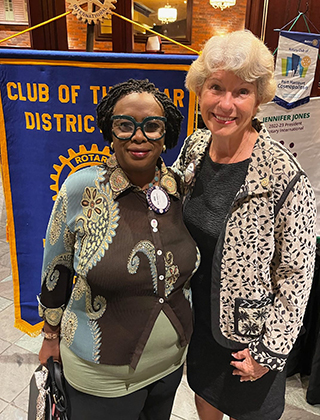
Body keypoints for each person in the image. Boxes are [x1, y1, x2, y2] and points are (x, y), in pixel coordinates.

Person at [172, 30, 317, 420]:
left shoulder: (284, 174)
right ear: (199, 90)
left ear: (260, 98)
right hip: (198, 322)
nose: (225, 104)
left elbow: (297, 273)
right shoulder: (194, 148)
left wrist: (269, 353)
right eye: (216, 87)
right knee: (204, 394)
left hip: (249, 339)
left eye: (242, 92)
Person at [38, 78, 200, 420]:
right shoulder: (81, 188)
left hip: (169, 365)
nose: (138, 137)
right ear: (109, 131)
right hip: (99, 375)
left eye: (152, 126)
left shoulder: (180, 188)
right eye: (125, 125)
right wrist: (49, 335)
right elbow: (56, 268)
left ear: (167, 134)